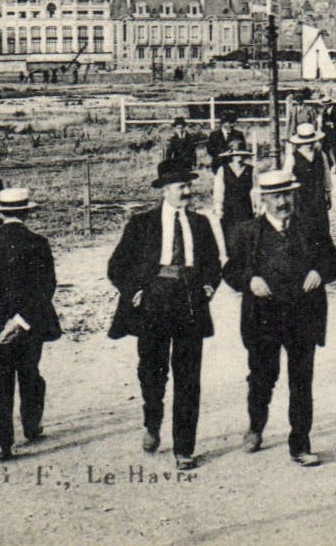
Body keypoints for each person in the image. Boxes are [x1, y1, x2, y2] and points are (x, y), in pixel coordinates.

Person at [223, 170, 336, 467]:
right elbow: (230, 271)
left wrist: (320, 271)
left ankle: (300, 444)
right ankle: (255, 427)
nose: (282, 202)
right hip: (263, 318)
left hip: (303, 316)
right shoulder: (247, 232)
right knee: (263, 378)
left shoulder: (311, 227)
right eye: (276, 196)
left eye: (287, 195)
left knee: (301, 382)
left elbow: (334, 259)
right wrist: (249, 280)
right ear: (263, 200)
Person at [106, 161, 222, 470]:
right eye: (180, 187)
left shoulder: (200, 223)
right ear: (164, 190)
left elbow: (213, 263)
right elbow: (116, 266)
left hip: (189, 303)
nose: (187, 191)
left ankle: (184, 448)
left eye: (188, 186)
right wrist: (134, 291)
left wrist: (209, 286)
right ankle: (152, 421)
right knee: (152, 372)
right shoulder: (142, 224)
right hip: (153, 304)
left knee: (188, 378)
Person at [0, 187, 61, 462]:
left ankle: (2, 444)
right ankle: (31, 426)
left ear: (0, 214)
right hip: (30, 324)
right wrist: (20, 320)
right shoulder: (38, 244)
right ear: (26, 213)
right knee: (30, 373)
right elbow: (46, 287)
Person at [287, 122, 331, 234]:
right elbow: (287, 179)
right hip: (301, 199)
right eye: (306, 143)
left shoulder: (321, 155)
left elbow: (326, 176)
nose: (309, 145)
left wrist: (328, 194)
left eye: (311, 142)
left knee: (322, 229)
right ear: (299, 143)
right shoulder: (292, 158)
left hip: (318, 197)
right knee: (304, 229)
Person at [214, 147, 257, 251]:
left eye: (241, 154)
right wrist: (218, 208)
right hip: (229, 209)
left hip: (246, 208)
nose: (239, 157)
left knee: (247, 238)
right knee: (231, 240)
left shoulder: (251, 170)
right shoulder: (223, 170)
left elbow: (256, 190)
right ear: (231, 156)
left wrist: (257, 207)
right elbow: (218, 191)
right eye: (236, 155)